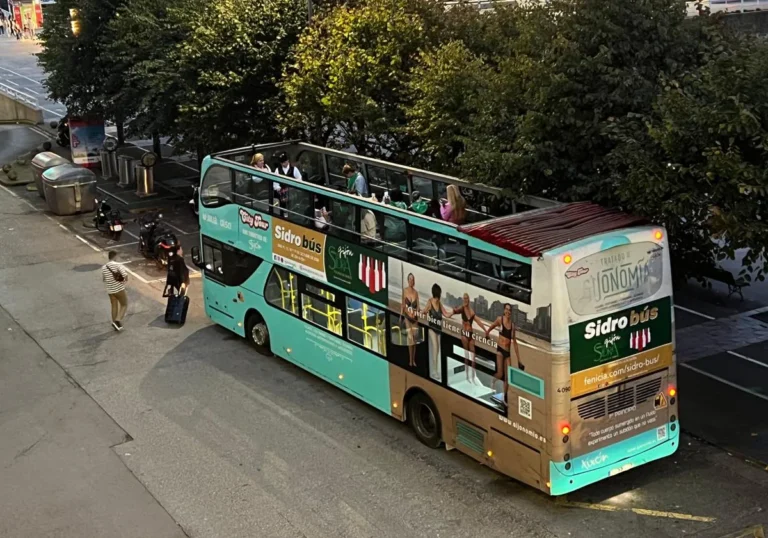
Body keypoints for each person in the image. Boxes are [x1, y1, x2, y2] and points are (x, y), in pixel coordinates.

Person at [485, 303, 523, 400]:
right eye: (506, 309)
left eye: (509, 310)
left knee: (508, 378)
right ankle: (493, 381)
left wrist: (519, 360)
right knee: (500, 374)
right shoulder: (500, 319)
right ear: (504, 310)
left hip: (508, 353)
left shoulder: (513, 326)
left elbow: (514, 342)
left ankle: (505, 397)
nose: (508, 312)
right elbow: (492, 326)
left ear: (511, 312)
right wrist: (487, 333)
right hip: (500, 350)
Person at [453, 293, 488, 384]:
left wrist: (485, 330)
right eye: (464, 298)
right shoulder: (462, 308)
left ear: (468, 299)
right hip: (464, 334)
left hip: (471, 334)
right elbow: (455, 311)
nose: (465, 300)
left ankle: (473, 377)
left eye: (466, 298)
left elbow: (478, 321)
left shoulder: (471, 311)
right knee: (466, 356)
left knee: (473, 357)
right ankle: (467, 377)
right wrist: (449, 313)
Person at [421, 283, 453, 380]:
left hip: (439, 329)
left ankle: (435, 369)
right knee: (435, 348)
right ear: (437, 293)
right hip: (431, 328)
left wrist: (454, 312)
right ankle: (434, 371)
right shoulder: (430, 302)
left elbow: (446, 314)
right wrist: (420, 312)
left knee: (438, 350)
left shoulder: (440, 303)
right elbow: (424, 311)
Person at [102, 250, 129, 331]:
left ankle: (114, 323)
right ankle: (117, 321)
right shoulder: (117, 265)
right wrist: (123, 282)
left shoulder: (104, 267)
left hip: (110, 290)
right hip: (119, 289)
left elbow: (104, 279)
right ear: (115, 256)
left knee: (114, 306)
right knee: (124, 304)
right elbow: (125, 276)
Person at [399, 273, 420, 368]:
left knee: (414, 340)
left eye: (413, 280)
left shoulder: (416, 293)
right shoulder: (404, 291)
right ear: (408, 280)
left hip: (415, 318)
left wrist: (418, 316)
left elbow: (418, 307)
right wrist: (400, 316)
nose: (412, 281)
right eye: (411, 280)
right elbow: (402, 305)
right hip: (407, 317)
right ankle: (410, 360)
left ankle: (413, 360)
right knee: (410, 338)